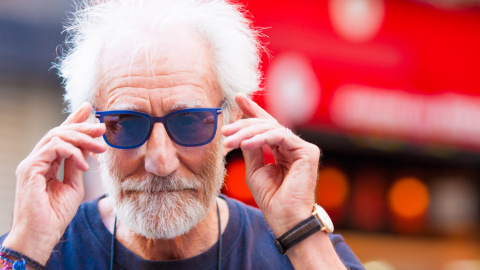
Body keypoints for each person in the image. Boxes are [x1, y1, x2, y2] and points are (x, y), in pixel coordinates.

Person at [0, 0, 364, 269]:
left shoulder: (300, 248)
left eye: (189, 121)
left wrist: (299, 227)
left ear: (232, 120)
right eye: (126, 123)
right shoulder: (34, 251)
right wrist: (28, 245)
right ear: (87, 130)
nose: (160, 161)